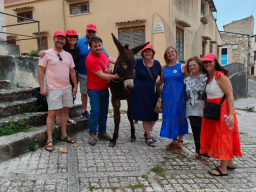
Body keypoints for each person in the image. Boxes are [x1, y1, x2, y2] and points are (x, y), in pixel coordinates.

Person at [200, 53, 243, 176]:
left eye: (210, 61)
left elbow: (230, 95)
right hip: (214, 110)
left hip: (222, 111)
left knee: (223, 136)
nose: (208, 64)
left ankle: (222, 169)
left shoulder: (220, 75)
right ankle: (229, 163)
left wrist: (230, 114)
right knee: (223, 135)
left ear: (215, 61)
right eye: (205, 62)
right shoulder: (209, 76)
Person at [38, 30, 78, 152]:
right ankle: (49, 139)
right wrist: (42, 87)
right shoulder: (46, 54)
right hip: (53, 89)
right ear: (54, 39)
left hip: (66, 88)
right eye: (58, 38)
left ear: (65, 41)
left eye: (62, 38)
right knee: (51, 113)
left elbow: (72, 71)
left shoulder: (68, 55)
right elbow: (41, 70)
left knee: (65, 111)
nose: (60, 40)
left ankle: (63, 135)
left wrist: (75, 86)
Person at [77, 24, 116, 120]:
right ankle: (84, 110)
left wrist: (119, 62)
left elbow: (107, 56)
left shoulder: (97, 43)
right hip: (83, 72)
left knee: (94, 97)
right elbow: (71, 50)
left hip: (97, 73)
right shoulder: (80, 42)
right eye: (89, 31)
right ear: (86, 31)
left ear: (96, 32)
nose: (91, 33)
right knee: (84, 92)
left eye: (93, 31)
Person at [85, 36, 119, 146]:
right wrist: (114, 76)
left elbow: (108, 60)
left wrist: (110, 68)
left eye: (100, 45)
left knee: (104, 111)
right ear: (90, 47)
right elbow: (101, 75)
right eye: (95, 46)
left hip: (104, 88)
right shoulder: (90, 59)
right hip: (94, 89)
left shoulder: (103, 53)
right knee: (95, 112)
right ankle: (92, 133)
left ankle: (102, 132)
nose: (98, 48)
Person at [130, 44, 162, 147]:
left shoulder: (157, 64)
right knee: (145, 114)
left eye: (150, 51)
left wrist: (160, 87)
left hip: (152, 91)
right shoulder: (138, 62)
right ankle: (148, 135)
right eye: (145, 51)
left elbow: (163, 77)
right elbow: (126, 63)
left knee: (154, 114)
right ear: (142, 53)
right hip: (139, 91)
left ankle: (146, 131)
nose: (147, 53)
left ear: (153, 53)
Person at [160, 46, 189, 153]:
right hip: (167, 97)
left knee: (180, 117)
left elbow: (190, 80)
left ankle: (180, 141)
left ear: (176, 53)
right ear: (166, 56)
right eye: (168, 53)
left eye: (172, 51)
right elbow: (161, 81)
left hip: (179, 96)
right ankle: (174, 140)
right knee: (170, 117)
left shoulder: (183, 66)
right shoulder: (164, 68)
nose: (170, 54)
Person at [185, 56, 209, 164]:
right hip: (191, 108)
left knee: (204, 131)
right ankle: (198, 151)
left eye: (194, 65)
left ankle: (206, 154)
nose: (192, 67)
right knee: (195, 131)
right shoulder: (187, 78)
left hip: (203, 109)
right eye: (190, 65)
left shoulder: (205, 77)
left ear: (199, 65)